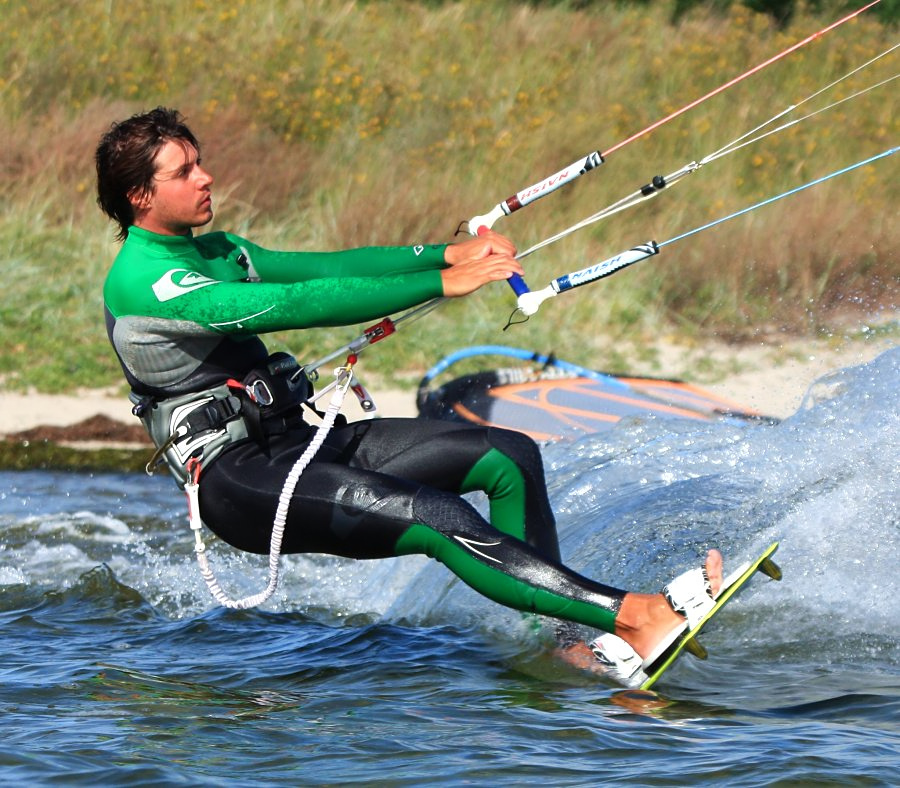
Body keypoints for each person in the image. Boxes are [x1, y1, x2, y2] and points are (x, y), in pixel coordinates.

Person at [96, 106, 724, 686]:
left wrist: (446, 252)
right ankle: (635, 616)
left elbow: (327, 269)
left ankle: (555, 645)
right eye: (184, 172)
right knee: (433, 515)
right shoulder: (148, 281)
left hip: (298, 442)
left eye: (200, 160)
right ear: (140, 196)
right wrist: (445, 284)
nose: (206, 177)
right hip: (241, 482)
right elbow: (288, 304)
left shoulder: (216, 248)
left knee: (508, 456)